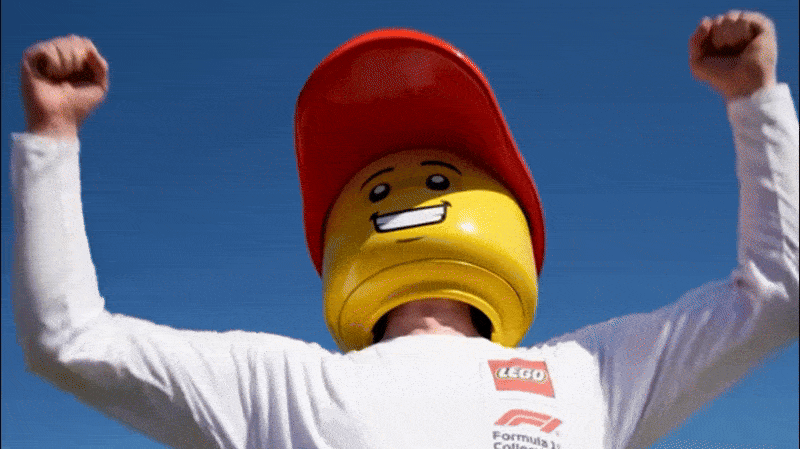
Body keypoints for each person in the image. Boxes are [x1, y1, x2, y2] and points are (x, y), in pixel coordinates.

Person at [11, 10, 797, 449]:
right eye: (378, 183)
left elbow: (777, 296)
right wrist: (53, 136)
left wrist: (755, 98)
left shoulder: (590, 374)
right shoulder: (282, 384)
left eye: (443, 173)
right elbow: (67, 339)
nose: (408, 197)